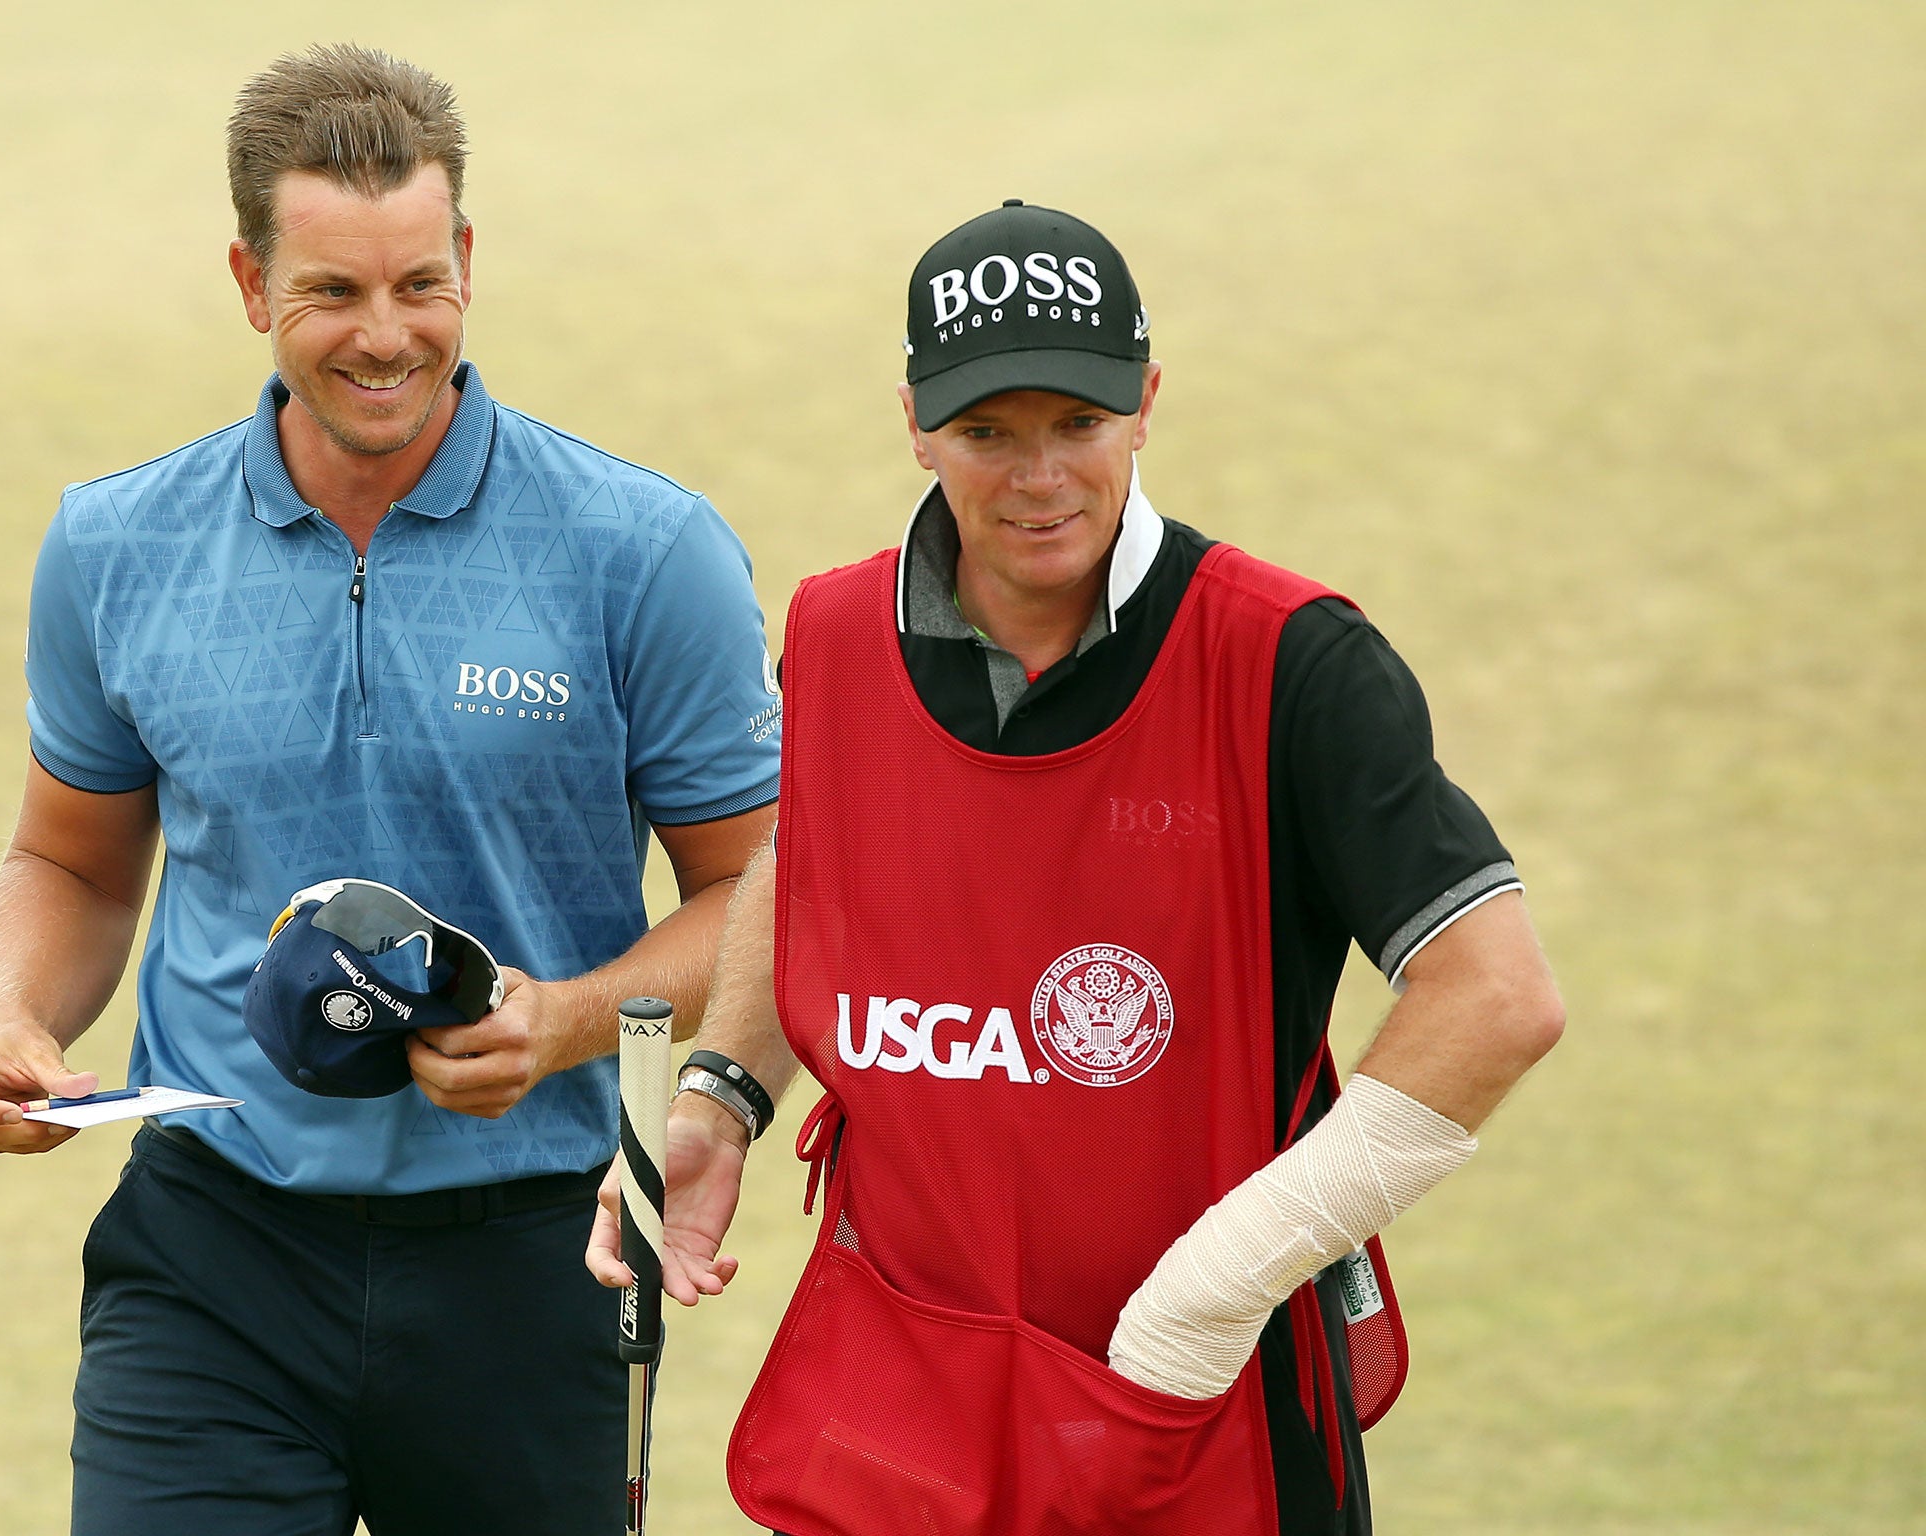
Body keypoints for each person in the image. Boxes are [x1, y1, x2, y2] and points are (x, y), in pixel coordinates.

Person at [587, 200, 1564, 1536]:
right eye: (989, 433)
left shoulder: (1294, 660)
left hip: (1194, 1408)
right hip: (907, 1396)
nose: (1038, 477)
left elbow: (1496, 997)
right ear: (917, 423)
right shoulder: (832, 634)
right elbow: (810, 859)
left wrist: (1210, 1292)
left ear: (1147, 403)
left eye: (1078, 426)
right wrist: (720, 1100)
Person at [0, 44, 779, 1536]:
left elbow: (767, 887)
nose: (384, 335)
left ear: (467, 261)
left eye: (417, 284)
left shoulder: (643, 551)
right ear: (254, 286)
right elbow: (69, 862)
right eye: (332, 291)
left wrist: (564, 1020)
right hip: (213, 1250)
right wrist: (21, 1018)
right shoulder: (114, 546)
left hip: (533, 1255)